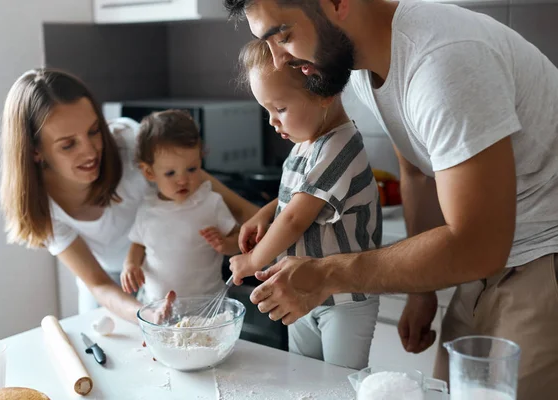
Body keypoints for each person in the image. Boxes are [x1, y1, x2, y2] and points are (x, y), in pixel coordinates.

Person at [224, 0, 558, 397]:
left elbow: (478, 244)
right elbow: (417, 173)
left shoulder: (444, 63)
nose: (280, 61)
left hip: (543, 259)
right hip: (487, 267)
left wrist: (328, 273)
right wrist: (422, 290)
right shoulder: (365, 66)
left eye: (283, 35)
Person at [0, 68, 258, 323]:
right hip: (109, 282)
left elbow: (235, 206)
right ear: (35, 151)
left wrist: (278, 240)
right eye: (68, 144)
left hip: (166, 276)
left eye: (94, 131)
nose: (90, 151)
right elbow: (99, 285)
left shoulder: (129, 142)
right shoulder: (44, 207)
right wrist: (147, 315)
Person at [228, 39, 380, 369]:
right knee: (305, 376)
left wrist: (253, 259)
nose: (272, 121)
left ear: (324, 93)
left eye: (280, 109)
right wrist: (264, 214)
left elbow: (297, 218)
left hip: (344, 299)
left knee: (342, 383)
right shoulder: (306, 143)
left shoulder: (340, 146)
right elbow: (295, 198)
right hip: (300, 290)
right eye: (266, 110)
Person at [121, 109, 240, 301]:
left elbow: (239, 240)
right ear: (149, 172)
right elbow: (138, 244)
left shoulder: (211, 202)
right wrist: (130, 265)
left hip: (207, 306)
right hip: (158, 306)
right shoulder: (147, 209)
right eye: (171, 173)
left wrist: (226, 244)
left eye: (192, 169)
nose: (183, 180)